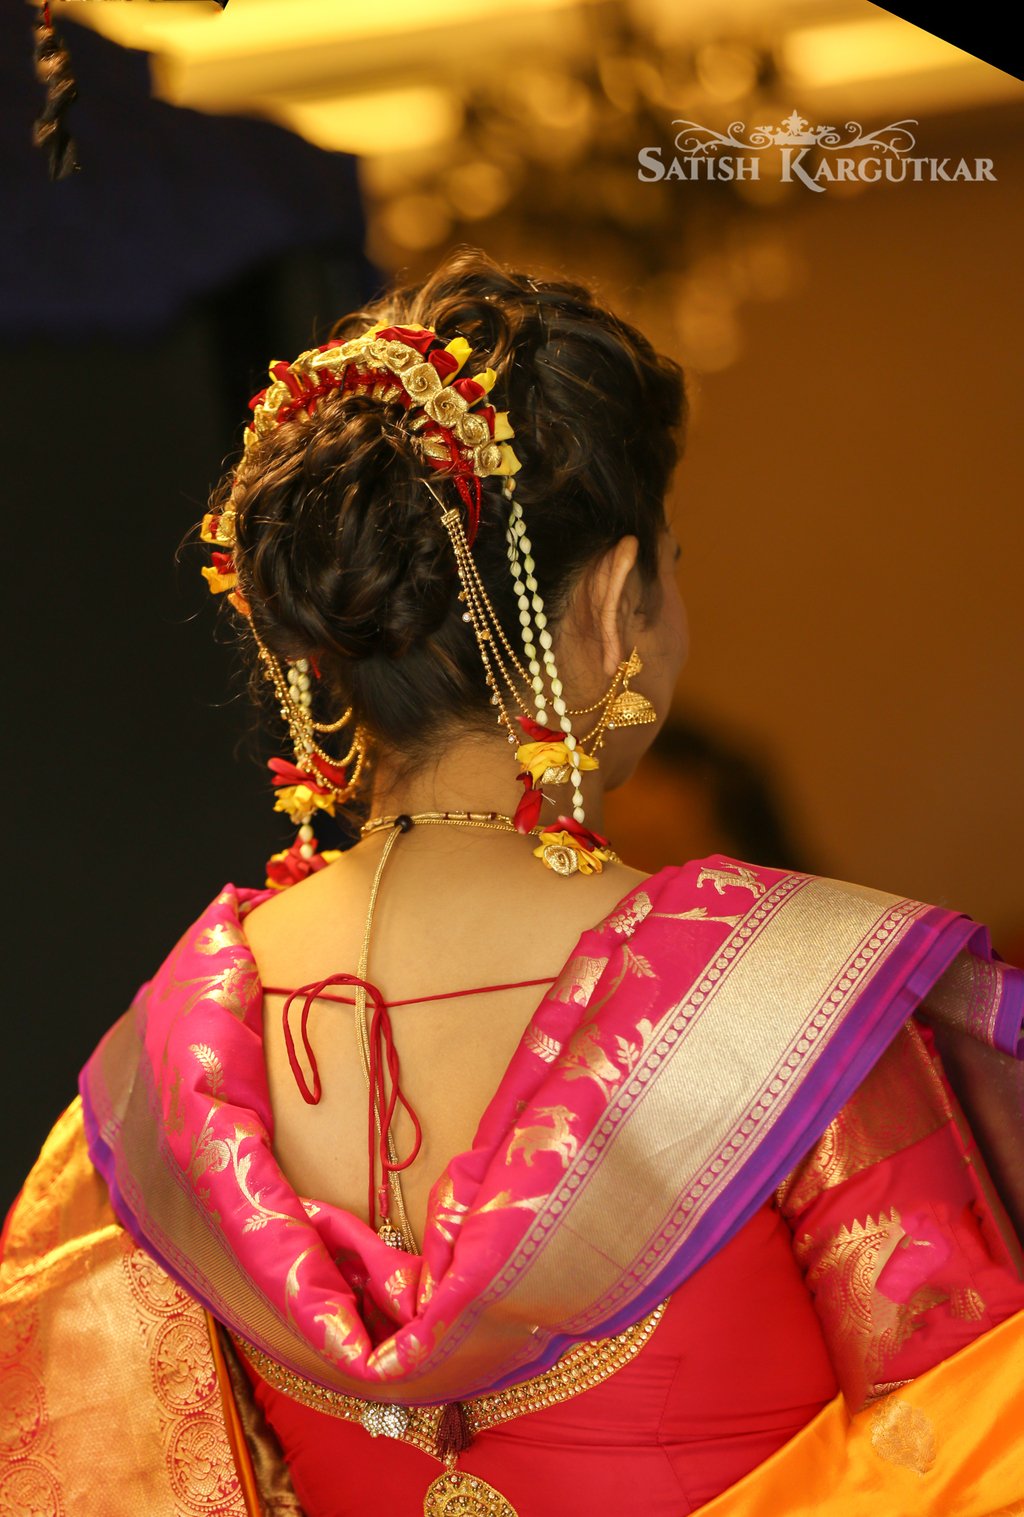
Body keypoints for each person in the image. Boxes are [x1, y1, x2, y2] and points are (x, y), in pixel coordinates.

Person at [2, 248, 1022, 1517]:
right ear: (606, 601)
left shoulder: (145, 1089)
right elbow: (981, 1444)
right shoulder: (793, 1009)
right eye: (671, 561)